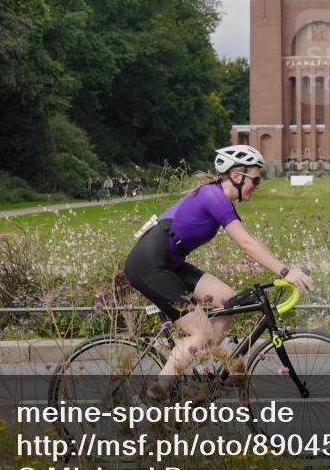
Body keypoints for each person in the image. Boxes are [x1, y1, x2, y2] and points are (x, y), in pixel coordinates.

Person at [123, 145, 314, 391]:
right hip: (149, 265)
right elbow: (246, 243)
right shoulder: (213, 196)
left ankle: (201, 372)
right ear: (236, 176)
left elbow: (251, 239)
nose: (257, 186)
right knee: (200, 333)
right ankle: (156, 394)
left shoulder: (219, 198)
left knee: (228, 301)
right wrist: (286, 272)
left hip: (171, 262)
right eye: (255, 180)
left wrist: (286, 268)